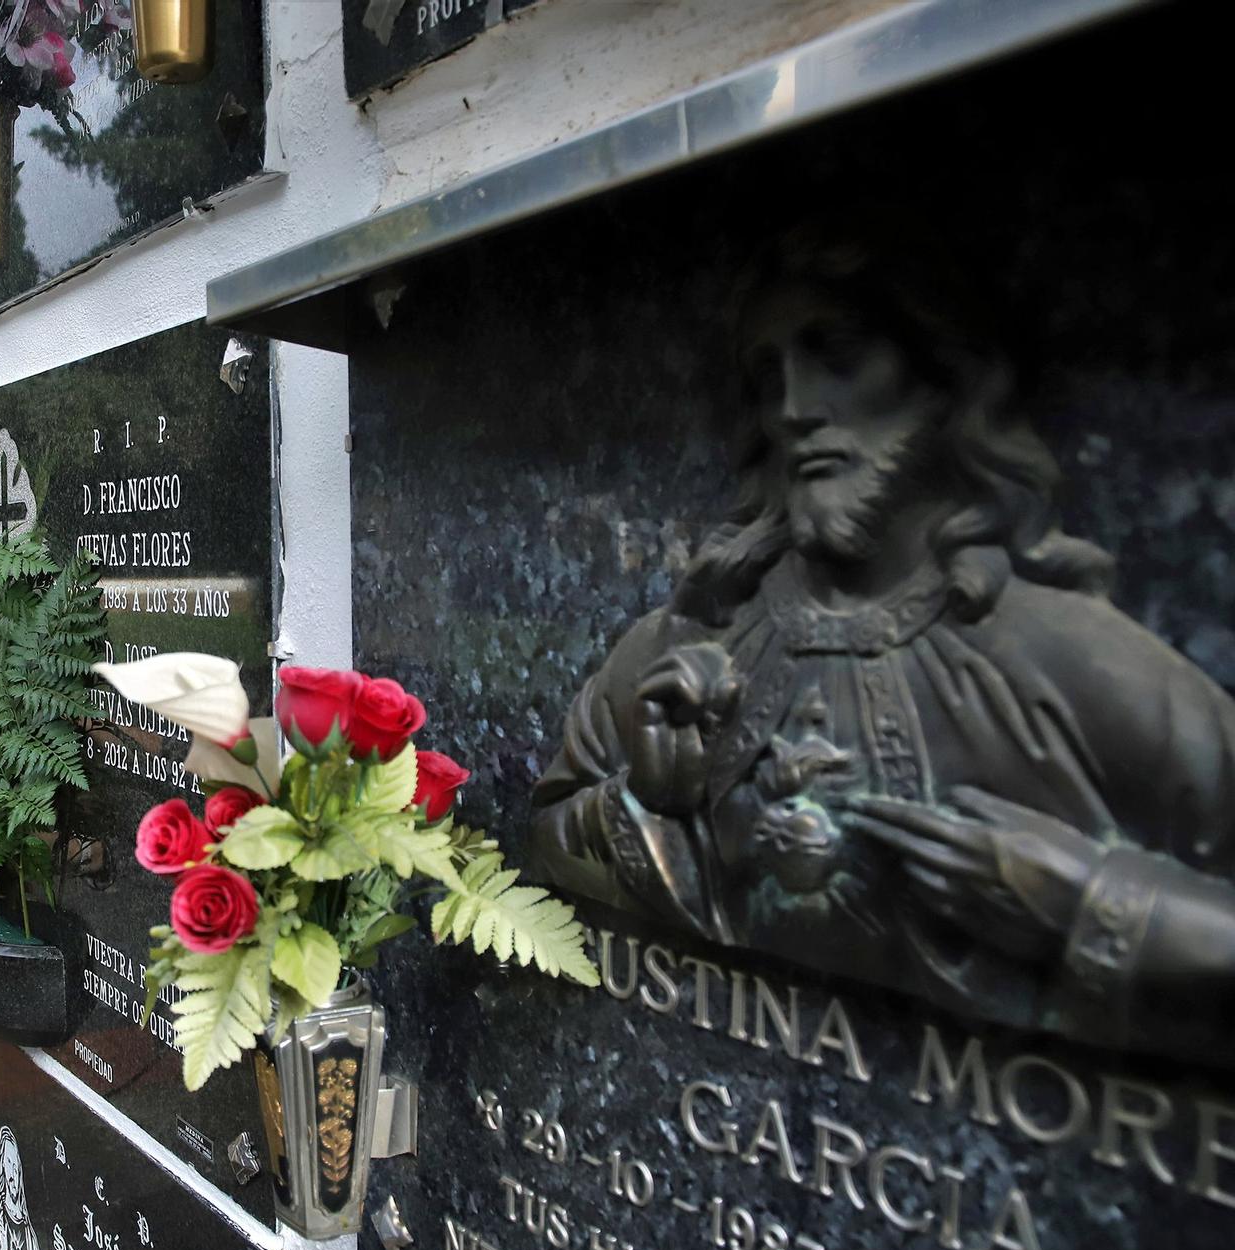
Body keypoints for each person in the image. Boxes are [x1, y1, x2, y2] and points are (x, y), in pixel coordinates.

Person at [528, 229, 1235, 1066]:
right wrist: (645, 803)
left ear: (944, 374)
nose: (794, 408)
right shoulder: (682, 651)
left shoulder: (1079, 661)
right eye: (767, 376)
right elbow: (541, 843)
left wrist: (1089, 907)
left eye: (836, 353)